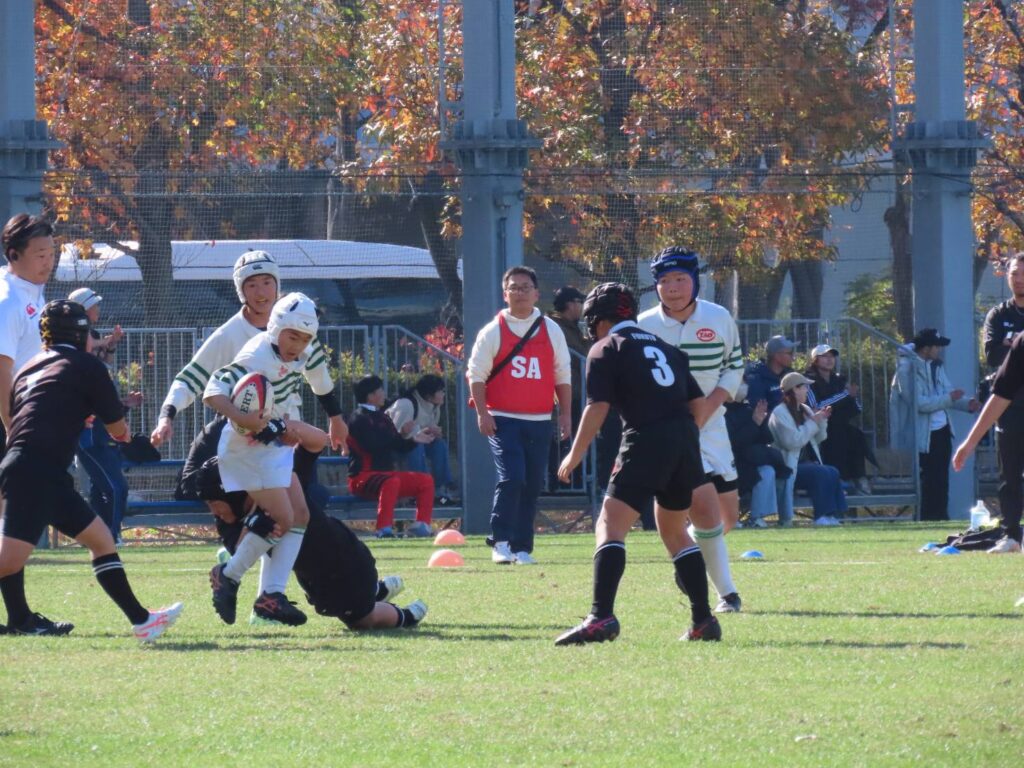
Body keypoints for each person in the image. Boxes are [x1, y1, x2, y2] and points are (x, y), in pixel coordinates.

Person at [554, 283, 730, 644]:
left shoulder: (606, 347)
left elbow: (597, 407)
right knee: (674, 530)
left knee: (610, 525)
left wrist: (575, 452)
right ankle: (703, 620)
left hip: (645, 438)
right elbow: (698, 404)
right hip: (685, 439)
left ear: (598, 320)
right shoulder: (668, 349)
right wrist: (679, 439)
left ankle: (601, 617)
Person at [0, 301, 182, 640]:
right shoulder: (86, 365)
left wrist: (75, 414)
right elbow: (117, 428)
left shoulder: (29, 367)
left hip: (34, 466)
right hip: (37, 469)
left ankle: (142, 621)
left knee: (100, 539)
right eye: (92, 336)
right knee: (8, 560)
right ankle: (23, 620)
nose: (95, 342)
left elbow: (34, 412)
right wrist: (126, 436)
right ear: (81, 335)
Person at [179, 416, 427, 629]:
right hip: (318, 582)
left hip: (345, 559)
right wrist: (254, 522)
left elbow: (318, 440)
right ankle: (380, 591)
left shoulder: (278, 482)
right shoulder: (229, 523)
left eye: (214, 502)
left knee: (362, 619)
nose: (213, 511)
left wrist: (282, 426)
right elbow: (243, 551)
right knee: (357, 611)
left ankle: (405, 614)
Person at [204, 293, 338, 626]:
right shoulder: (256, 356)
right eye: (292, 336)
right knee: (282, 517)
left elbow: (304, 387)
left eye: (305, 338)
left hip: (272, 446)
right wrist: (246, 419)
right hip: (246, 450)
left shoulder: (298, 354)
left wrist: (289, 424)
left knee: (300, 516)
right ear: (276, 327)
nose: (298, 345)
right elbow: (212, 392)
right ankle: (229, 575)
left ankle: (271, 596)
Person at [152, 250, 346, 453]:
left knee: (309, 458)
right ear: (241, 291)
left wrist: (336, 419)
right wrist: (166, 417)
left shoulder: (299, 325)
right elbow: (190, 380)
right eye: (252, 285)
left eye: (267, 283)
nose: (261, 293)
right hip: (241, 439)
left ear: (277, 284)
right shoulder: (228, 335)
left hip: (288, 434)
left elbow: (318, 377)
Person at [637, 246, 743, 613]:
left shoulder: (719, 317)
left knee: (728, 517)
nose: (672, 288)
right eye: (665, 281)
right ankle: (727, 594)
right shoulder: (643, 325)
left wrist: (708, 408)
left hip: (713, 429)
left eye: (680, 279)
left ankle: (690, 557)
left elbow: (734, 366)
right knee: (700, 509)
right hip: (667, 432)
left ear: (695, 281)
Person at [466, 266, 572, 565]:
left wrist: (565, 414)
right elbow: (476, 374)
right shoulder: (493, 331)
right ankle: (500, 541)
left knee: (532, 484)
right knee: (512, 477)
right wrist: (483, 413)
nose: (520, 292)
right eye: (514, 287)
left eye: (525, 287)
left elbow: (562, 374)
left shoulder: (551, 329)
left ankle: (522, 547)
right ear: (505, 294)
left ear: (536, 293)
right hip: (503, 419)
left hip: (539, 420)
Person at [69, 287, 141, 542]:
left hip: (100, 428)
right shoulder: (72, 337)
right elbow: (84, 351)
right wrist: (104, 342)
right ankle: (109, 536)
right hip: (86, 431)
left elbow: (103, 365)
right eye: (94, 305)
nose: (98, 309)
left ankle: (105, 536)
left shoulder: (94, 336)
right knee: (114, 487)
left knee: (104, 488)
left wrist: (110, 344)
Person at [889, 329, 978, 521]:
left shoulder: (937, 366)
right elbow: (919, 404)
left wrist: (967, 404)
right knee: (929, 479)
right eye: (936, 346)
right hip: (924, 434)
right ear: (926, 348)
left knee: (942, 478)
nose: (939, 350)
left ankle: (941, 517)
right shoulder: (906, 370)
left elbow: (948, 393)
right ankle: (928, 518)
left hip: (943, 431)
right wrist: (949, 398)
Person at [954, 329, 1024, 553]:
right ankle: (1011, 535)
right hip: (1016, 414)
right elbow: (1001, 394)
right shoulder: (1022, 342)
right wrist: (970, 442)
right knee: (1010, 475)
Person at [348, 375, 435, 539]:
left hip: (386, 476)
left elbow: (398, 446)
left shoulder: (383, 417)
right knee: (390, 482)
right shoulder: (358, 418)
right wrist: (398, 436)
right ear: (370, 395)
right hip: (362, 477)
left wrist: (412, 439)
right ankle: (383, 529)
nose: (384, 393)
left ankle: (422, 526)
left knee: (425, 481)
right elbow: (372, 446)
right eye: (380, 390)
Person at [978, 253, 1024, 552]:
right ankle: (1011, 534)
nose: (1019, 279)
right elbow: (993, 355)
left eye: (1023, 274)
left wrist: (1012, 345)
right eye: (1014, 273)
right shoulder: (998, 314)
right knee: (1009, 473)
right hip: (1009, 405)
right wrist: (1014, 347)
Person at [0, 214, 55, 456]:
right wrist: (12, 427)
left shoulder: (31, 290)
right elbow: (1, 371)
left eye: (52, 254)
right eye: (41, 256)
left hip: (30, 414)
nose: (48, 262)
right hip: (10, 420)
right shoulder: (8, 301)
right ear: (14, 255)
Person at [768, 372, 848, 526]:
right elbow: (792, 442)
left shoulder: (804, 409)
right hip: (788, 467)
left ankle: (833, 515)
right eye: (804, 387)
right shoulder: (780, 412)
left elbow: (819, 438)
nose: (807, 390)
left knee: (832, 471)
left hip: (805, 465)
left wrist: (822, 420)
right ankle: (821, 516)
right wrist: (813, 422)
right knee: (820, 473)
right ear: (794, 389)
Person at [804, 343, 873, 495]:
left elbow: (856, 407)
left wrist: (851, 397)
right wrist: (845, 395)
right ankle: (838, 479)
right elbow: (817, 406)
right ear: (815, 360)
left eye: (832, 356)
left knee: (856, 435)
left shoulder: (839, 380)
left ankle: (858, 477)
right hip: (819, 425)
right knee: (835, 436)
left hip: (840, 424)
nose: (830, 360)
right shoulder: (808, 381)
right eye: (825, 356)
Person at [724, 381, 791, 527]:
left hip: (750, 461)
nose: (743, 386)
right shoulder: (721, 412)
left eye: (744, 383)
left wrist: (760, 421)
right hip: (730, 462)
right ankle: (730, 517)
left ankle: (758, 517)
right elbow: (733, 442)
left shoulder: (748, 409)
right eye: (739, 383)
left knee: (768, 471)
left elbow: (766, 438)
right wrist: (754, 423)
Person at [386, 373, 459, 505]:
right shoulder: (406, 404)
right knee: (417, 445)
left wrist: (431, 433)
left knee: (439, 445)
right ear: (428, 395)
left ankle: (439, 490)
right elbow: (395, 436)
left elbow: (422, 433)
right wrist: (422, 432)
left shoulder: (434, 407)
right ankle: (419, 489)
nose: (444, 394)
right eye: (440, 391)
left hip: (411, 444)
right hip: (393, 448)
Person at [547, 286, 588, 489]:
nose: (582, 307)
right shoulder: (556, 327)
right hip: (562, 394)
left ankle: (574, 481)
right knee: (561, 439)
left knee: (573, 437)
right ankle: (561, 483)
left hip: (576, 392)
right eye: (580, 302)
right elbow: (578, 354)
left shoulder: (572, 327)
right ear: (570, 304)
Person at [745, 335, 796, 412]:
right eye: (790, 353)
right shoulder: (757, 378)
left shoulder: (788, 374)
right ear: (777, 356)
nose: (793, 357)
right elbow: (759, 413)